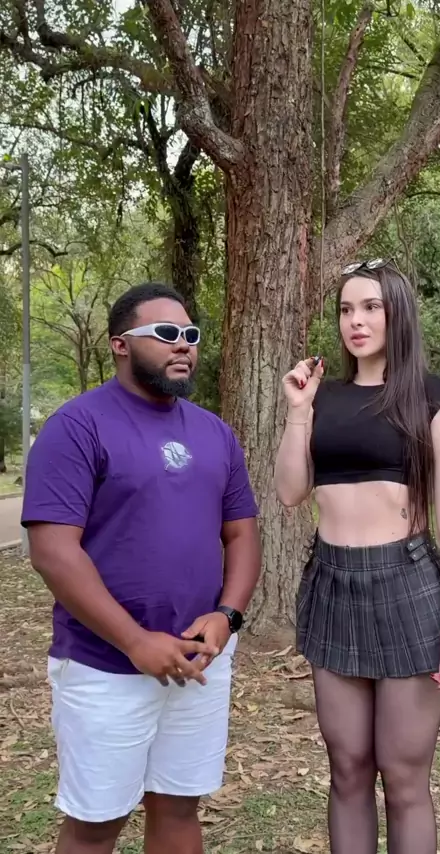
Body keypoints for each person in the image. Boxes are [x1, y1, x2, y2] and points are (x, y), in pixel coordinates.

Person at [21, 281, 261, 854]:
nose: (184, 345)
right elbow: (53, 550)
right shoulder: (77, 427)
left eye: (191, 335)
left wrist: (227, 616)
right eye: (167, 333)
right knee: (96, 825)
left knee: (179, 808)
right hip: (105, 665)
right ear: (120, 344)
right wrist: (134, 641)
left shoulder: (214, 433)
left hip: (198, 662)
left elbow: (242, 534)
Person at [274, 258, 440, 854]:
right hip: (332, 583)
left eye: (370, 307)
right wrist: (298, 411)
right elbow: (290, 492)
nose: (355, 321)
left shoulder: (437, 399)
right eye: (345, 309)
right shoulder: (323, 397)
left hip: (407, 587)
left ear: (398, 314)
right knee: (348, 770)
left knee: (405, 777)